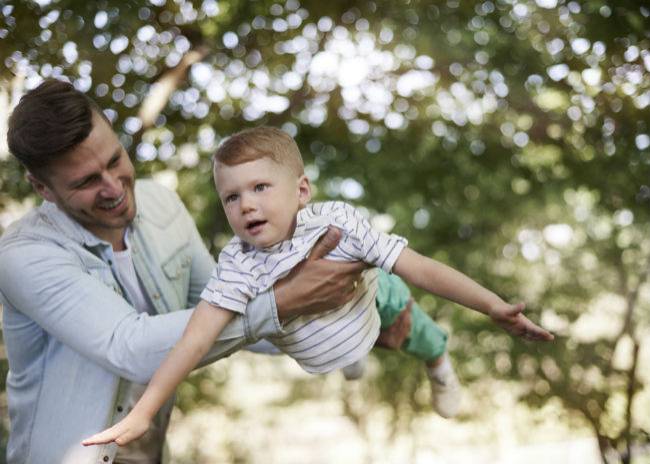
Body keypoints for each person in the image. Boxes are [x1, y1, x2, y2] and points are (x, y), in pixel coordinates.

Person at [83, 126, 554, 448]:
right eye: (232, 196)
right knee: (337, 341)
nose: (246, 205)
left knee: (418, 326)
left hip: (373, 297)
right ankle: (353, 357)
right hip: (325, 330)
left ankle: (439, 362)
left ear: (301, 191)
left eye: (261, 187)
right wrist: (145, 410)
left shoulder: (338, 223)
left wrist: (492, 305)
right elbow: (195, 340)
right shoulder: (237, 265)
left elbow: (421, 267)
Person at [0, 80, 367, 464]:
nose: (113, 188)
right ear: (42, 188)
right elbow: (131, 348)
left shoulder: (161, 204)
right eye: (87, 182)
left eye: (114, 160)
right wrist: (283, 301)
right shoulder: (25, 255)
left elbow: (230, 311)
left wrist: (334, 310)